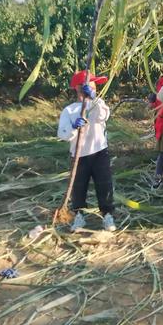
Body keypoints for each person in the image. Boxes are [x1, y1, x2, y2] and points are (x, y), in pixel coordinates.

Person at [57, 71, 116, 233]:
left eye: (94, 85)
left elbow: (103, 115)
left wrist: (93, 100)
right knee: (79, 188)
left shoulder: (97, 104)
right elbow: (63, 133)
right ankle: (79, 216)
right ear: (78, 88)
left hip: (99, 153)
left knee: (104, 185)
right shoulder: (69, 111)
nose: (93, 87)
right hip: (79, 156)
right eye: (90, 85)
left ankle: (107, 215)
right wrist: (74, 128)